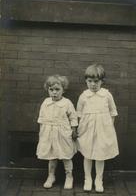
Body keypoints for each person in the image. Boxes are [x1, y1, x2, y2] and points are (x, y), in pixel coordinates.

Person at [77, 64, 119, 193]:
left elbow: (113, 112)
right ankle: (87, 179)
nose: (93, 84)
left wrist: (108, 128)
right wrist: (81, 129)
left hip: (103, 129)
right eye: (90, 81)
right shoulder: (84, 96)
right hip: (88, 129)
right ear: (86, 81)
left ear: (102, 81)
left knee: (100, 155)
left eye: (96, 81)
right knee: (88, 155)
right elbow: (79, 113)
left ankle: (98, 179)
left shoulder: (106, 95)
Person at [36, 75, 78, 189]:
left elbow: (73, 117)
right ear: (48, 90)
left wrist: (74, 130)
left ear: (63, 90)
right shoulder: (46, 102)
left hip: (63, 133)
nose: (54, 92)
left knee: (66, 155)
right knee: (52, 156)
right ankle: (51, 176)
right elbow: (41, 118)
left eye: (57, 89)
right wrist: (42, 133)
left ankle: (69, 176)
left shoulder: (67, 103)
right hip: (49, 133)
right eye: (51, 89)